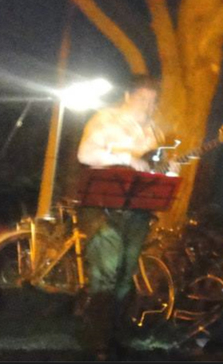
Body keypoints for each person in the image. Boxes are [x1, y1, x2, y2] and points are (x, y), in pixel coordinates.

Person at [76, 74, 172, 360]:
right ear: (128, 96)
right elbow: (85, 154)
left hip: (138, 210)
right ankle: (98, 341)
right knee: (105, 274)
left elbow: (156, 168)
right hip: (103, 207)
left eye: (153, 101)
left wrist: (168, 172)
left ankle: (114, 335)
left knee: (125, 276)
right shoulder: (106, 119)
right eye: (143, 99)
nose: (148, 106)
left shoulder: (154, 132)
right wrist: (126, 158)